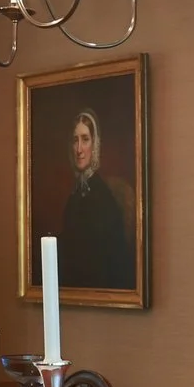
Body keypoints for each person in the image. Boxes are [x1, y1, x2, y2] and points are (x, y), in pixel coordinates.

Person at [55, 107, 135, 290]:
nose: (79, 149)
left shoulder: (102, 197)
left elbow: (106, 261)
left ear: (95, 144)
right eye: (75, 140)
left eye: (85, 139)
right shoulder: (75, 195)